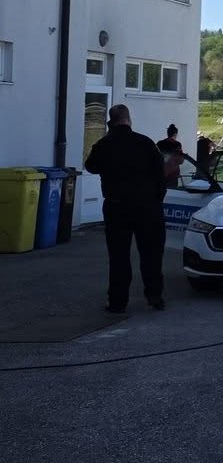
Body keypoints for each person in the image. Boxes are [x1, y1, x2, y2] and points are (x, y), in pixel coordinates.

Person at [83, 104, 167, 313]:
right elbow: (160, 174)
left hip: (116, 206)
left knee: (119, 255)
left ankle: (118, 301)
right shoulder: (145, 143)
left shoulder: (104, 144)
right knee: (151, 253)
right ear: (129, 120)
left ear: (110, 122)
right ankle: (154, 296)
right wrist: (156, 200)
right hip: (147, 206)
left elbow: (91, 166)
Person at [156, 123, 183, 188]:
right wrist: (184, 157)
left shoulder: (159, 143)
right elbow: (180, 161)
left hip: (161, 173)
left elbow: (156, 156)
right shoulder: (177, 144)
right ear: (175, 134)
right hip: (173, 174)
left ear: (167, 133)